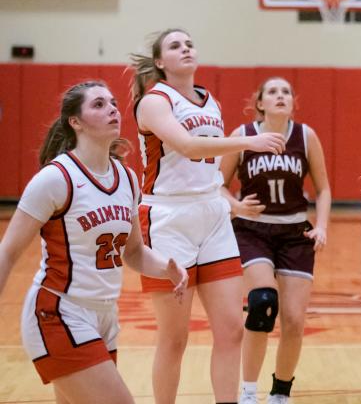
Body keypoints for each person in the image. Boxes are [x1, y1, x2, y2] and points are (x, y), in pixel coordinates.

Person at [0, 81, 188, 404]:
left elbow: (133, 252)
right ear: (75, 121)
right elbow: (8, 252)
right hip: (58, 313)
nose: (112, 109)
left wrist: (168, 268)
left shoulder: (127, 179)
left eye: (113, 103)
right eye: (98, 105)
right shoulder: (55, 178)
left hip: (103, 317)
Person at [130, 28, 286, 404]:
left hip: (212, 216)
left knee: (231, 330)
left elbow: (208, 164)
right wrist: (248, 140)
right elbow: (185, 146)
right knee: (174, 338)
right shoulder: (154, 102)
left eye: (188, 44)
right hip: (169, 216)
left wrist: (228, 201)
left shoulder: (209, 100)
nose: (185, 49)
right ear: (160, 62)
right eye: (174, 46)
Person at [220, 77, 333, 404]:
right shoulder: (243, 136)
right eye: (273, 92)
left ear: (292, 103)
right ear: (260, 103)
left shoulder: (305, 136)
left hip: (295, 233)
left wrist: (322, 226)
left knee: (295, 321)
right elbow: (217, 183)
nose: (280, 96)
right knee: (262, 303)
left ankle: (281, 393)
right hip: (253, 230)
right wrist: (237, 206)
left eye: (286, 92)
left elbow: (324, 188)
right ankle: (249, 391)